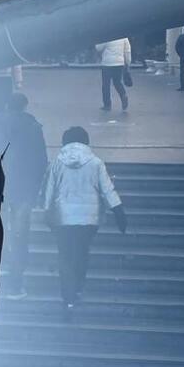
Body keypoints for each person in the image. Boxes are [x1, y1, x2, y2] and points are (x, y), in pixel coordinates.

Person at [42, 126, 127, 311]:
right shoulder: (96, 163)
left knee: (65, 255)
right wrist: (119, 212)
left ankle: (68, 295)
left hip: (63, 218)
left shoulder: (57, 163)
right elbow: (107, 190)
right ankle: (78, 286)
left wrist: (47, 212)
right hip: (89, 219)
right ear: (86, 141)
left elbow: (48, 191)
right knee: (81, 252)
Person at [0, 93, 47, 289]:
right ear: (24, 106)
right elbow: (41, 160)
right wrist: (36, 187)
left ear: (7, 106)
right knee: (19, 232)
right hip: (23, 188)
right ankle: (17, 274)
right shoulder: (33, 127)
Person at [96, 37, 131, 112]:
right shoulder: (124, 38)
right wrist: (128, 63)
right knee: (117, 82)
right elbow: (127, 51)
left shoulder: (108, 35)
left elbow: (98, 48)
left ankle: (107, 105)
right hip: (119, 63)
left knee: (106, 84)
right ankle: (123, 95)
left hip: (107, 63)